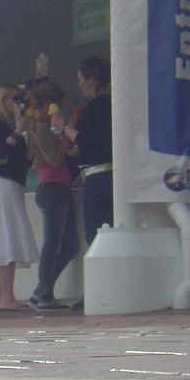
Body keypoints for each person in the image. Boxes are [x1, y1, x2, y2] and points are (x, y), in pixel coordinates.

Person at [0, 84, 38, 311]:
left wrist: (27, 134)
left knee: (7, 236)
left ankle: (4, 296)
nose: (16, 104)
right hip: (1, 184)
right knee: (5, 237)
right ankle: (5, 296)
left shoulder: (11, 125)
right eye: (12, 99)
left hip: (13, 184)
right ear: (2, 101)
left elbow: (27, 159)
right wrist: (16, 133)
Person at [25, 81, 78, 311]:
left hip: (57, 188)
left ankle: (42, 289)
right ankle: (44, 294)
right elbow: (52, 159)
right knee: (53, 245)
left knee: (68, 245)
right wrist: (67, 131)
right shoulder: (42, 128)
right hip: (53, 189)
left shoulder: (40, 128)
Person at [63, 56, 112, 246]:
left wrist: (63, 127)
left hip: (98, 177)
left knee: (96, 233)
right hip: (102, 173)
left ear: (92, 79)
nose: (80, 85)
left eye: (81, 80)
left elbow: (84, 137)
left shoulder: (98, 105)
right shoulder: (108, 104)